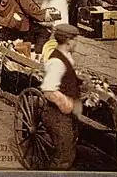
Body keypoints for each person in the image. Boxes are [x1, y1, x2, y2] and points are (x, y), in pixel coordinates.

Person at [39, 23, 82, 170]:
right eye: (76, 39)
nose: (77, 43)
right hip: (56, 116)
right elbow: (48, 90)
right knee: (63, 158)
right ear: (68, 40)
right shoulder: (56, 62)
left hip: (65, 116)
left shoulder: (66, 56)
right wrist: (66, 102)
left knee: (69, 150)